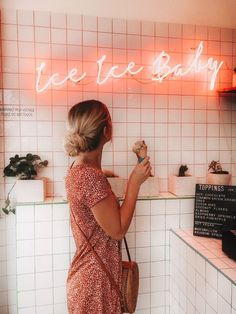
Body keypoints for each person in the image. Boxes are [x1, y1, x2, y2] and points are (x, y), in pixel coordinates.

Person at [64, 99, 151, 314]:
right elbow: (118, 230)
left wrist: (107, 179)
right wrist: (134, 183)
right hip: (95, 285)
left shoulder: (78, 169)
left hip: (88, 278)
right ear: (106, 131)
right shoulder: (90, 178)